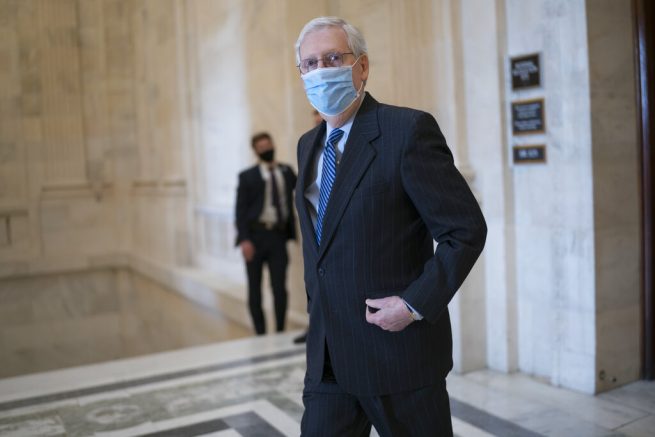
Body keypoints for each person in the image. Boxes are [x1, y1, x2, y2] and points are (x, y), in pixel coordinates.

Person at [294, 17, 487, 436]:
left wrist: (413, 304)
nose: (320, 70)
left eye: (332, 58)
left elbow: (464, 230)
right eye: (309, 63)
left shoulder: (407, 131)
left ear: (361, 67)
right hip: (327, 359)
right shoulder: (307, 146)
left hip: (397, 355)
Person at [235, 132, 297, 335]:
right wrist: (244, 239)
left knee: (279, 286)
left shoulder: (286, 171)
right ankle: (259, 332)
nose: (266, 149)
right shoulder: (247, 176)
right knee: (255, 288)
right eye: (261, 147)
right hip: (254, 236)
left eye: (268, 145)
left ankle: (280, 329)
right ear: (255, 151)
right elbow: (240, 211)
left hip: (278, 236)